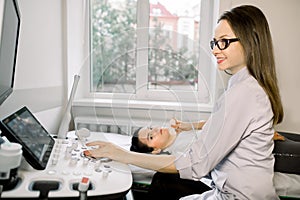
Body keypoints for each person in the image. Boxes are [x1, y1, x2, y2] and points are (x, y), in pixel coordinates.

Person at [85, 5, 284, 199]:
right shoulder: (244, 87)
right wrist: (189, 127)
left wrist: (121, 154)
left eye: (224, 42)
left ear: (251, 41)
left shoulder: (244, 93)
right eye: (214, 43)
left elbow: (195, 163)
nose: (215, 50)